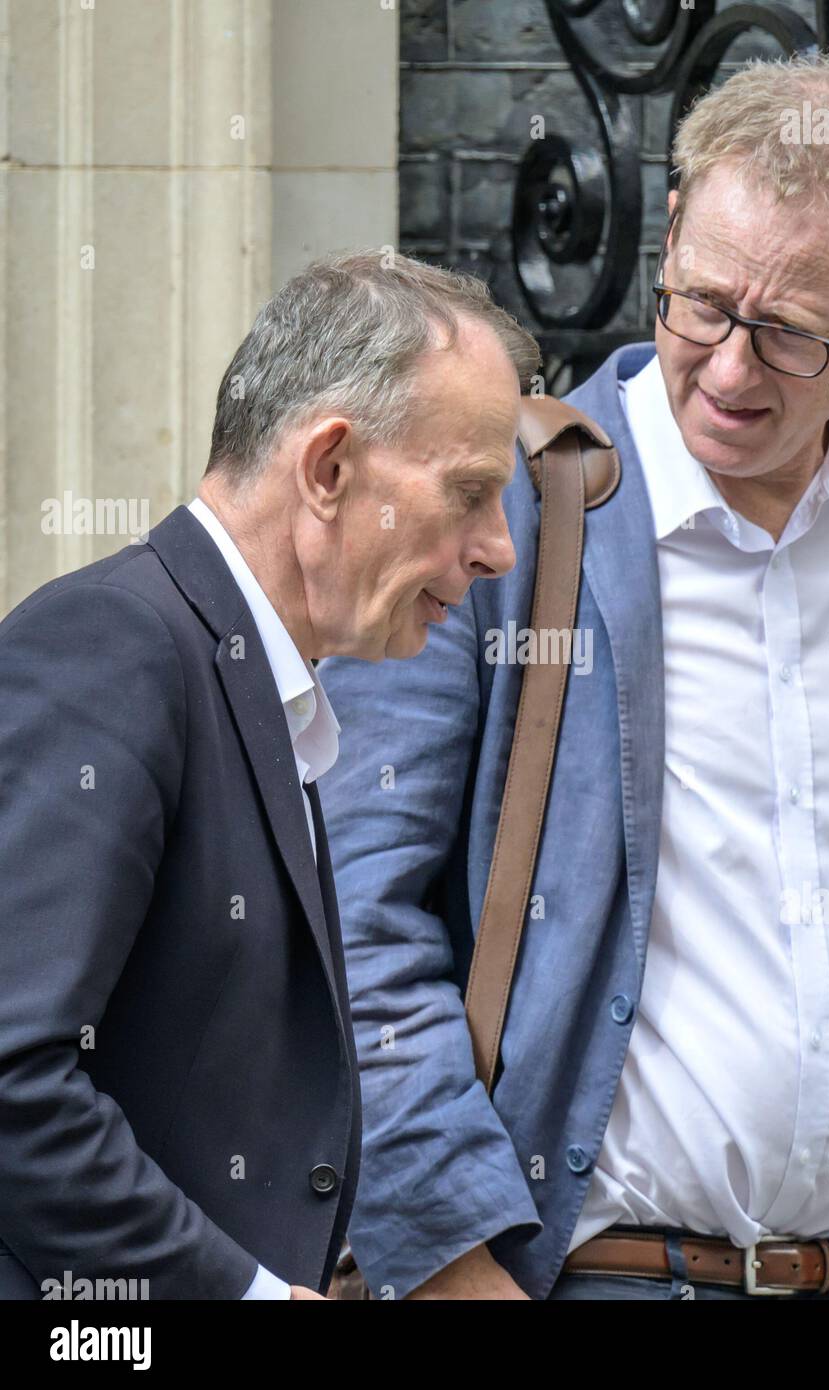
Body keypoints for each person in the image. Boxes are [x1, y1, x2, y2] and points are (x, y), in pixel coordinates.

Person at [318, 52, 829, 1300]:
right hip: (575, 1276)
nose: (725, 369)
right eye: (700, 303)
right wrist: (449, 1264)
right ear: (668, 235)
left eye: (789, 333)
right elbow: (354, 921)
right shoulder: (501, 513)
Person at [0, 251, 535, 1298]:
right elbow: (12, 1075)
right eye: (468, 492)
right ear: (329, 468)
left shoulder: (237, 676)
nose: (499, 551)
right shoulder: (116, 645)